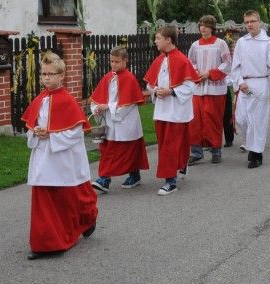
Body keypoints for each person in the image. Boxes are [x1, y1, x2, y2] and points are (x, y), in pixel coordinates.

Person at [23, 52, 98, 258]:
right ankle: (47, 243)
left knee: (68, 197)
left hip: (62, 157)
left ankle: (83, 221)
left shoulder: (68, 101)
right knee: (43, 198)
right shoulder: (40, 99)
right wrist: (36, 132)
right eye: (43, 74)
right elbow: (32, 125)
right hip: (43, 156)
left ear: (61, 75)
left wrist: (51, 135)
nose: (46, 78)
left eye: (51, 74)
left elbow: (75, 132)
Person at [144, 26, 199, 195]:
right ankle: (181, 164)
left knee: (170, 145)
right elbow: (149, 84)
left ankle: (170, 181)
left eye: (158, 38)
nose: (155, 41)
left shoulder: (182, 60)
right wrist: (155, 90)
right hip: (162, 109)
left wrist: (171, 91)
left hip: (176, 110)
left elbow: (190, 86)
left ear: (168, 40)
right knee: (167, 144)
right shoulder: (159, 60)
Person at [89, 47, 149, 193]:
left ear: (125, 61)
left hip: (125, 122)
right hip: (110, 121)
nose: (113, 65)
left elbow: (128, 104)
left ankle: (104, 179)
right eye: (111, 61)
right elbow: (97, 98)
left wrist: (108, 106)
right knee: (110, 150)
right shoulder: (108, 77)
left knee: (124, 151)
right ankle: (132, 176)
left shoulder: (129, 78)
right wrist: (96, 108)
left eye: (117, 62)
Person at [229, 10, 270, 168]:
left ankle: (256, 153)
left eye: (252, 21)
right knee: (241, 119)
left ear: (259, 22)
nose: (249, 25)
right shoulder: (242, 42)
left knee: (257, 121)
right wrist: (239, 82)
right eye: (246, 22)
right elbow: (236, 66)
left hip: (261, 83)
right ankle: (251, 145)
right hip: (245, 84)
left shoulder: (267, 43)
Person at [187, 15, 231, 165]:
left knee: (213, 119)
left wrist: (210, 74)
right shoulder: (195, 45)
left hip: (215, 89)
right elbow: (190, 63)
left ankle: (216, 150)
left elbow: (227, 63)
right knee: (195, 120)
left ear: (212, 27)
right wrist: (197, 74)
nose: (202, 28)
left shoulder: (221, 44)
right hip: (198, 88)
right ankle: (196, 152)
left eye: (206, 25)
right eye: (201, 25)